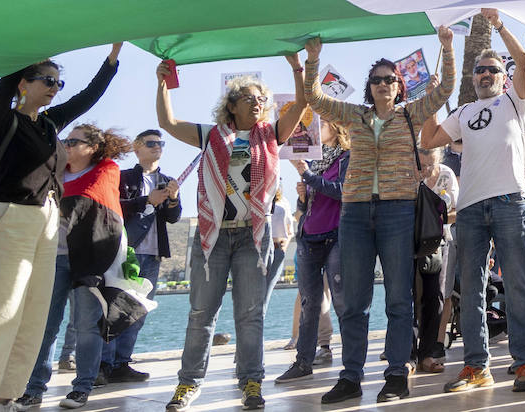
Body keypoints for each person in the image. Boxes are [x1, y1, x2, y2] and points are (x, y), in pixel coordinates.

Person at [0, 44, 122, 412]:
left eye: (59, 81)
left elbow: (87, 98)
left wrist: (113, 57)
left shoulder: (50, 123)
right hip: (11, 216)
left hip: (47, 219)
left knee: (32, 310)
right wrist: (30, 39)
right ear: (24, 84)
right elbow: (2, 88)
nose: (55, 87)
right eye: (47, 80)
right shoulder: (3, 119)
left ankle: (5, 392)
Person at [301, 28, 455, 403]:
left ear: (399, 86)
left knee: (399, 299)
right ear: (369, 87)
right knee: (355, 301)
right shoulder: (353, 115)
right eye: (376, 79)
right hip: (353, 213)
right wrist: (313, 60)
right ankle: (351, 376)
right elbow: (314, 97)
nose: (383, 84)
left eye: (390, 79)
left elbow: (446, 88)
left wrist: (448, 47)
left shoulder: (410, 115)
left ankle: (397, 374)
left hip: (398, 212)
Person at [154, 54, 308, 412]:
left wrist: (296, 65)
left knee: (250, 315)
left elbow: (301, 103)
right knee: (201, 314)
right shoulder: (209, 135)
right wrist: (162, 82)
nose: (257, 104)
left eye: (261, 99)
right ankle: (188, 385)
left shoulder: (270, 135)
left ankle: (251, 382)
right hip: (213, 237)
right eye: (249, 99)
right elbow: (168, 121)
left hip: (252, 237)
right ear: (232, 105)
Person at [421, 10, 525, 393]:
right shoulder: (464, 111)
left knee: (519, 286)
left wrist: (501, 25)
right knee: (470, 289)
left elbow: (524, 62)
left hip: (509, 202)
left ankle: (524, 364)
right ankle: (476, 367)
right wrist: (430, 98)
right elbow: (430, 141)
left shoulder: (514, 102)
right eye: (479, 71)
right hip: (470, 209)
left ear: (503, 76)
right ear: (473, 79)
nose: (485, 75)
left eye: (491, 69)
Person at [18, 123, 136, 410]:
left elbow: (87, 199)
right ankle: (34, 388)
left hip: (90, 258)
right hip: (55, 255)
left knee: (86, 325)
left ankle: (82, 387)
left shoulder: (106, 169)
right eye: (65, 141)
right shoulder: (54, 173)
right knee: (46, 326)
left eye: (74, 141)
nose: (67, 146)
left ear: (92, 147)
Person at [274, 120, 350, 386]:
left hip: (336, 237)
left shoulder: (346, 158)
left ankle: (351, 369)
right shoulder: (314, 163)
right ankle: (302, 362)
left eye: (323, 123)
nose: (316, 127)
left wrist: (308, 177)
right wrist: (303, 195)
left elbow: (343, 192)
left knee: (342, 302)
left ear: (337, 129)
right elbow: (307, 204)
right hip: (309, 238)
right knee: (309, 304)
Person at [103, 129, 181, 383]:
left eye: (161, 143)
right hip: (127, 252)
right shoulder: (123, 177)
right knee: (115, 309)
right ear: (137, 147)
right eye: (151, 143)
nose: (157, 147)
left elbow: (173, 217)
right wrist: (145, 200)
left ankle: (122, 363)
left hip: (154, 254)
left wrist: (172, 200)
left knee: (138, 312)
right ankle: (106, 364)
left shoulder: (167, 179)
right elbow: (114, 208)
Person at [414, 145, 457, 373]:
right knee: (408, 296)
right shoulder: (409, 173)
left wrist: (435, 216)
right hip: (410, 242)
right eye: (422, 165)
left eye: (431, 164)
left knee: (436, 296)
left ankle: (428, 353)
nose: (426, 170)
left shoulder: (447, 175)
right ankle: (408, 354)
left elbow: (457, 209)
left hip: (438, 242)